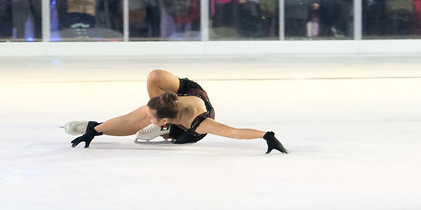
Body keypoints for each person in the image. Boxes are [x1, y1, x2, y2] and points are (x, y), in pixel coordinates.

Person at [63, 69, 287, 152]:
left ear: (165, 119)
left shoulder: (199, 123)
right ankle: (159, 129)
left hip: (187, 132)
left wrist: (267, 136)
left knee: (140, 126)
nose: (146, 117)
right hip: (187, 99)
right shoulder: (164, 103)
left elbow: (233, 132)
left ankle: (168, 132)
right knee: (155, 77)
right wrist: (96, 129)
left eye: (152, 118)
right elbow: (128, 120)